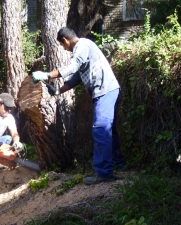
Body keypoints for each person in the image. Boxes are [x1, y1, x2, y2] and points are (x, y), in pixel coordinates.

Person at [32, 27, 125, 185]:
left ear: (65, 40)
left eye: (63, 46)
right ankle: (117, 164)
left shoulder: (82, 46)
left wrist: (47, 75)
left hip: (105, 90)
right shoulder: (85, 49)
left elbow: (71, 67)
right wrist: (58, 91)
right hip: (107, 91)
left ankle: (104, 173)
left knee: (101, 129)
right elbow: (76, 77)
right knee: (109, 129)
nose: (64, 49)